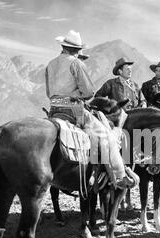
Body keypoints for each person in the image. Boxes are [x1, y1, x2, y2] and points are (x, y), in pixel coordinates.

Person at [45, 30, 135, 189]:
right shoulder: (76, 63)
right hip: (73, 109)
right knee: (107, 135)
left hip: (54, 109)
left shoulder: (51, 64)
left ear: (63, 47)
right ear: (78, 50)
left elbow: (48, 92)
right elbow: (88, 92)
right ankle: (120, 176)